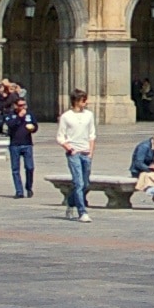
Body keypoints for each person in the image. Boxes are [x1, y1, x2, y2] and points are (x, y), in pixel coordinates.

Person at [56, 89, 96, 220]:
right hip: (74, 153)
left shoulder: (89, 115)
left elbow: (92, 134)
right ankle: (82, 212)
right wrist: (69, 148)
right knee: (78, 182)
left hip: (86, 152)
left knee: (85, 183)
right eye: (83, 100)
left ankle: (70, 202)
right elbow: (60, 137)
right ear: (76, 101)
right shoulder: (66, 116)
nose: (86, 102)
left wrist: (90, 152)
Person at [0, 91, 37, 198]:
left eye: (24, 105)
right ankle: (19, 191)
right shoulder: (10, 115)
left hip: (27, 144)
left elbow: (35, 125)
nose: (23, 107)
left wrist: (33, 128)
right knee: (15, 169)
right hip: (15, 145)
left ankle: (29, 187)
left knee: (30, 167)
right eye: (20, 105)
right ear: (15, 106)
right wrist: (20, 117)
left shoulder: (29, 114)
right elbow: (10, 125)